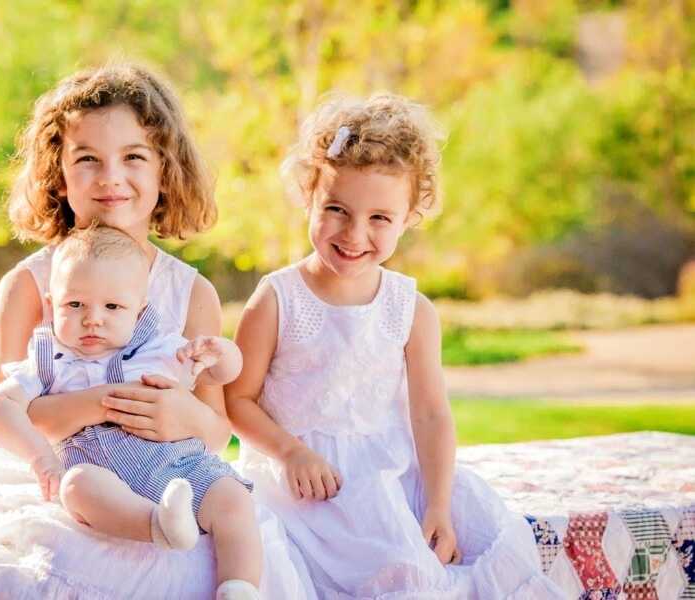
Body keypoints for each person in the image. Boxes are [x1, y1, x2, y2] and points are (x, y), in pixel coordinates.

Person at [0, 63, 313, 599]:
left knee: (218, 539)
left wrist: (183, 415)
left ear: (164, 172)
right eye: (88, 160)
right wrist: (104, 403)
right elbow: (2, 416)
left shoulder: (190, 292)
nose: (111, 178)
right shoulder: (31, 285)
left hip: (166, 467)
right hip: (65, 472)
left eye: (133, 157)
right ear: (58, 177)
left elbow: (216, 429)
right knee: (110, 560)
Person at [225, 94, 563, 599]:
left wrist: (439, 506)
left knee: (480, 543)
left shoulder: (411, 309)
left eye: (380, 218)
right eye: (335, 209)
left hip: (390, 475)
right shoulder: (277, 300)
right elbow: (237, 400)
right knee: (386, 571)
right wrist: (290, 452)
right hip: (298, 483)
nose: (354, 233)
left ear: (410, 217)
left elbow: (430, 414)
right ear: (308, 198)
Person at [0, 225, 260, 599]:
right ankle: (159, 524)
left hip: (180, 466)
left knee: (233, 499)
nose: (93, 318)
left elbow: (216, 375)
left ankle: (239, 587)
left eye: (112, 306)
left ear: (139, 309)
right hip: (104, 477)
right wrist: (42, 457)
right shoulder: (50, 361)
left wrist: (223, 354)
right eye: (75, 304)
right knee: (76, 487)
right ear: (52, 304)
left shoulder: (158, 350)